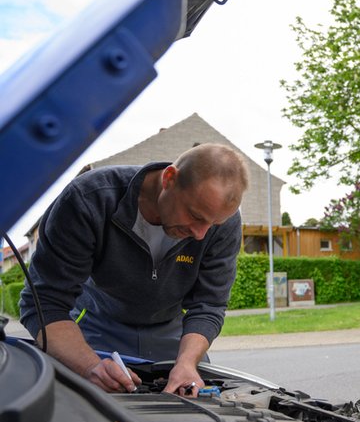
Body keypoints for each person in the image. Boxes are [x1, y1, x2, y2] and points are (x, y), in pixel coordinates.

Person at [18, 143, 249, 396]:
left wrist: (186, 363)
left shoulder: (223, 225)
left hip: (173, 333)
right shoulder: (90, 199)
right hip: (96, 327)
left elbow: (208, 304)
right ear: (170, 178)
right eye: (194, 215)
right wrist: (89, 365)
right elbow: (44, 303)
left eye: (213, 223)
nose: (200, 234)